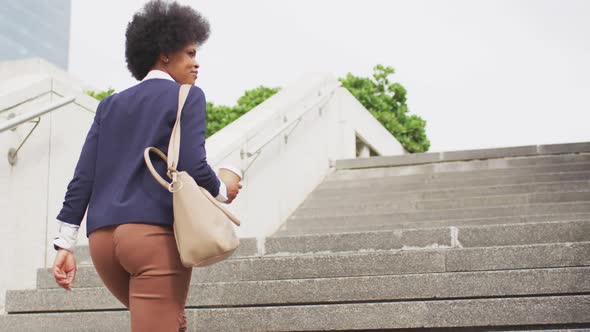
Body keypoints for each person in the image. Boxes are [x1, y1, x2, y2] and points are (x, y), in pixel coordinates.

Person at [51, 1, 241, 331]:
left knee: (167, 321)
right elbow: (193, 164)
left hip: (102, 244)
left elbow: (83, 177)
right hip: (152, 237)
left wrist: (65, 244)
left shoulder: (109, 105)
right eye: (190, 53)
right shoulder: (187, 96)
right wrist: (224, 191)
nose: (197, 64)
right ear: (164, 53)